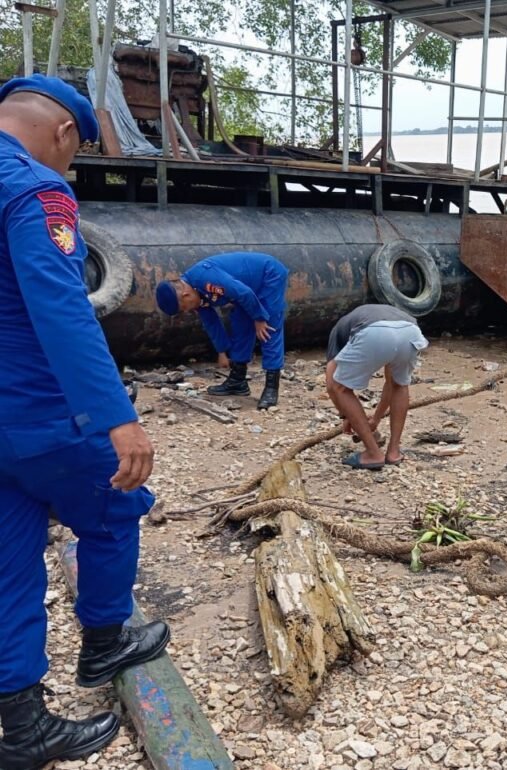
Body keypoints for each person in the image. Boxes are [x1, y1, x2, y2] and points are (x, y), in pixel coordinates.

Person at [0, 75, 170, 769]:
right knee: (117, 503)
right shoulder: (34, 190)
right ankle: (105, 643)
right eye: (74, 155)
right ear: (65, 132)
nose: (67, 167)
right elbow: (62, 309)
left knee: (9, 560)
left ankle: (23, 726)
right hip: (43, 410)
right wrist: (116, 418)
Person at [155, 252, 289, 409]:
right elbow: (211, 322)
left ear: (185, 294)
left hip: (267, 275)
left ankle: (272, 387)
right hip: (244, 290)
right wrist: (222, 351)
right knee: (240, 324)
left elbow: (244, 293)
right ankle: (238, 381)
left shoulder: (206, 278)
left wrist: (259, 318)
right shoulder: (195, 292)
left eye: (184, 307)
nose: (187, 310)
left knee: (268, 327)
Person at [325, 304, 429, 470]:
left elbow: (332, 384)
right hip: (411, 331)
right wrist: (376, 418)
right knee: (399, 384)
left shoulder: (338, 331)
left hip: (373, 332)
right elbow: (391, 383)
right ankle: (394, 452)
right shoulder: (370, 314)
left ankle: (373, 453)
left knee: (340, 387)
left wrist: (346, 416)